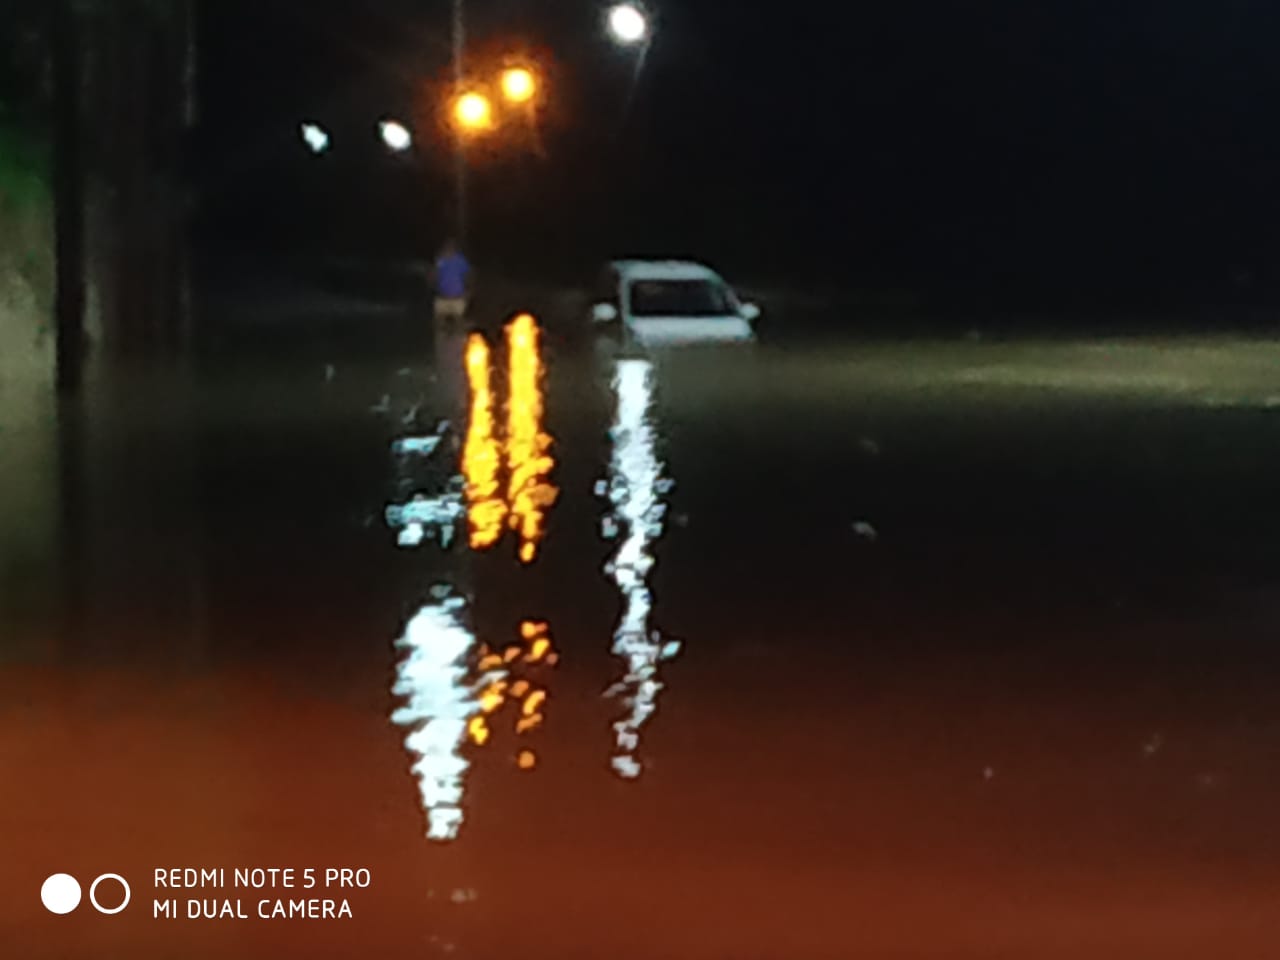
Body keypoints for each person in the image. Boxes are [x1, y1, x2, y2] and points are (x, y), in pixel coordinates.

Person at [431, 238, 471, 329]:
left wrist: (468, 292)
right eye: (447, 247)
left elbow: (468, 276)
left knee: (459, 324)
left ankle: (458, 341)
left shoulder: (461, 260)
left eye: (451, 247)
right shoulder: (440, 260)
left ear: (455, 248)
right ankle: (441, 341)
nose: (449, 249)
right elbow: (434, 275)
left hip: (458, 297)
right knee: (439, 325)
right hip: (442, 297)